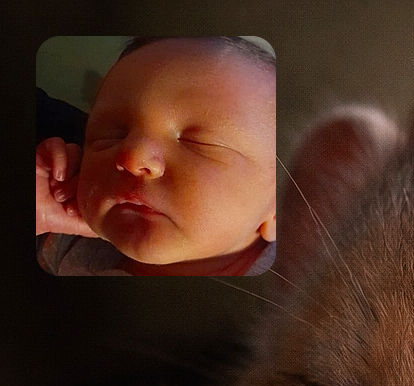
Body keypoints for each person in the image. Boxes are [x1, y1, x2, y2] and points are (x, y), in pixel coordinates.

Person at [36, 36, 276, 277]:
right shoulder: (62, 238)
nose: (132, 157)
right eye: (111, 135)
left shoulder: (292, 296)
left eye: (197, 142)